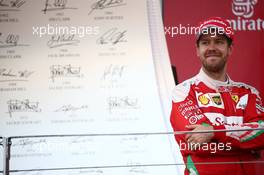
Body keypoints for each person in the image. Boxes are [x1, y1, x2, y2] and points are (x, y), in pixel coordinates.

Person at [170, 17, 264, 175]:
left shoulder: (249, 93)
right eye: (205, 42)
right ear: (197, 50)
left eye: (219, 41)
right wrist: (245, 145)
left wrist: (214, 132)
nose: (212, 47)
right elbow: (199, 146)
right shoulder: (183, 91)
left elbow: (262, 134)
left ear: (230, 49)